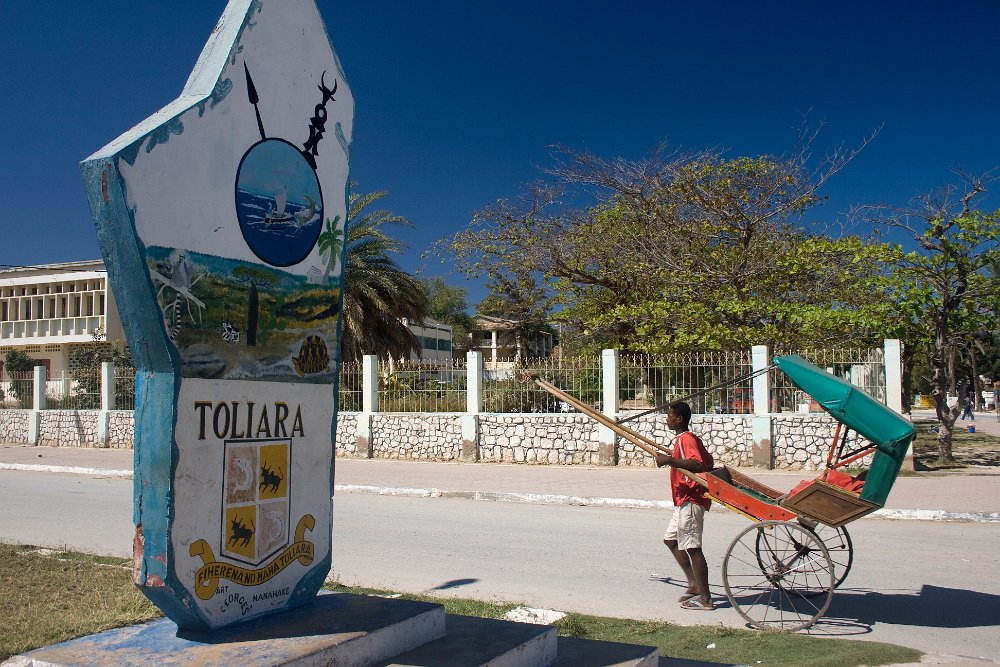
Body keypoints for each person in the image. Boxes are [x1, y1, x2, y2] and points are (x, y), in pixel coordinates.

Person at [656, 401, 715, 611]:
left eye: (669, 416)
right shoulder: (684, 439)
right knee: (671, 540)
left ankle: (706, 599)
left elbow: (698, 464)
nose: (667, 419)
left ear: (679, 419)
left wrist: (669, 461)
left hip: (691, 499)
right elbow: (708, 460)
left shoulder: (686, 439)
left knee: (692, 547)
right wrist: (671, 458)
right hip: (683, 500)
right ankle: (693, 584)